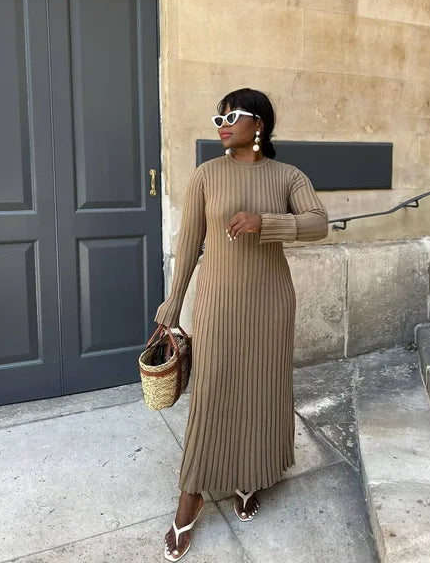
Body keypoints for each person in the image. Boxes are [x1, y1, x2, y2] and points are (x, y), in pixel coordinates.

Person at [154, 88, 329, 561]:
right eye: (219, 118)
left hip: (271, 304)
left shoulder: (288, 175)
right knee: (212, 393)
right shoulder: (206, 175)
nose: (223, 125)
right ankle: (191, 494)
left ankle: (249, 476)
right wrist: (173, 303)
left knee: (262, 390)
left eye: (232, 116)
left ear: (259, 125)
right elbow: (189, 244)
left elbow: (318, 223)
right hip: (217, 303)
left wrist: (265, 222)